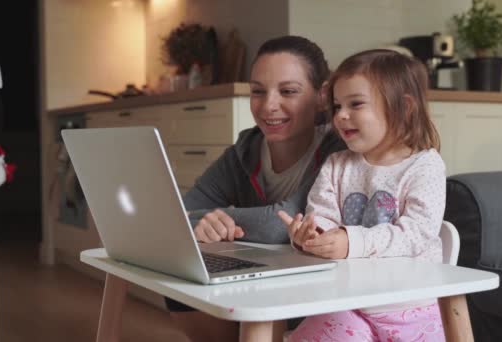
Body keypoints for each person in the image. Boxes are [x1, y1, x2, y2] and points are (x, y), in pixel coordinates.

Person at [165, 35, 346, 342]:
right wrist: (203, 224)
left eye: (288, 91)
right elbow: (180, 213)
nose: (268, 106)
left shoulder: (338, 150)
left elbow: (281, 224)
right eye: (257, 92)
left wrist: (218, 217)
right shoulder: (245, 150)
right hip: (259, 281)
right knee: (184, 283)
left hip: (322, 295)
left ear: (321, 95)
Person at [279, 49, 447, 341]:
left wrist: (351, 241)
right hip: (345, 302)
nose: (341, 116)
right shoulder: (336, 164)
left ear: (404, 108)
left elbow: (417, 233)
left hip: (408, 308)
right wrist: (311, 236)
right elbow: (323, 218)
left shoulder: (425, 165)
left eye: (356, 104)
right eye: (337, 106)